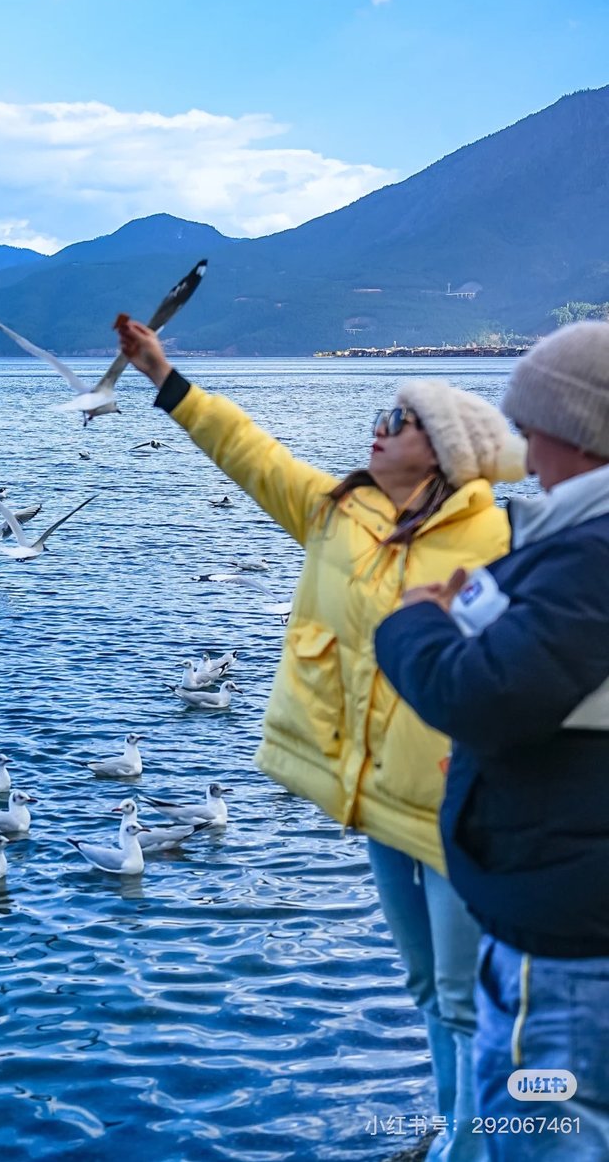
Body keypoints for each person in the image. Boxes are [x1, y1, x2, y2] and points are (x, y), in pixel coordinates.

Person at [116, 318, 526, 1162]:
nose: (377, 429)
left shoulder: (502, 535)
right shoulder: (339, 513)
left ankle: (472, 1147)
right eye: (379, 415)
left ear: (445, 449)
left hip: (462, 810)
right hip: (375, 801)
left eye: (399, 419)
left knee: (462, 992)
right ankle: (453, 1128)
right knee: (424, 984)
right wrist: (164, 376)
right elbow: (251, 453)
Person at [374, 322, 609, 1160]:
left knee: (548, 1133)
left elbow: (490, 696)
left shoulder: (594, 552)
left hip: (567, 943)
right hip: (559, 911)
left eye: (530, 424)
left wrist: (412, 627)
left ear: (572, 429)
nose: (521, 446)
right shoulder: (570, 542)